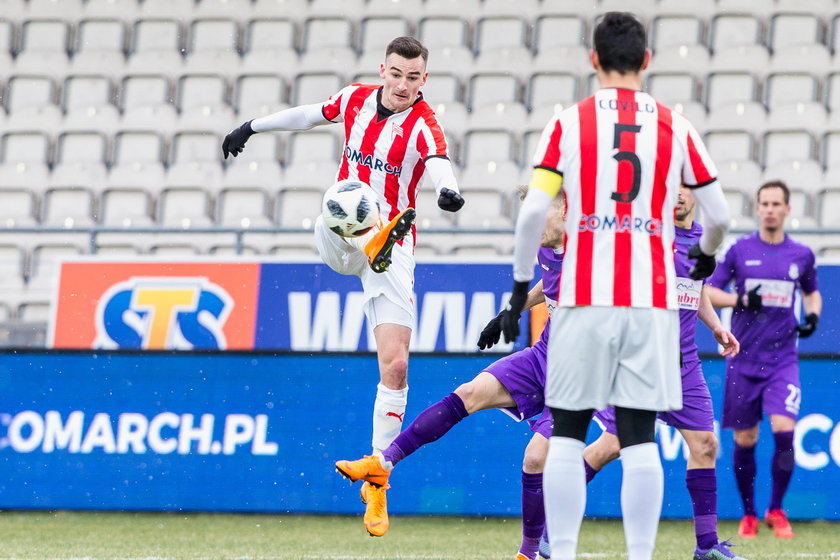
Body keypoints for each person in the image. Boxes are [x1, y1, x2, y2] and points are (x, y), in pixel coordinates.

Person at [501, 12, 730, 560]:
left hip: (582, 300)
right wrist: (701, 257)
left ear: (593, 60)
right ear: (646, 61)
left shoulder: (568, 122)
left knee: (567, 437)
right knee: (639, 439)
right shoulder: (674, 124)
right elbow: (719, 216)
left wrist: (518, 287)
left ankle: (565, 553)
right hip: (647, 305)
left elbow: (534, 210)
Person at [222, 36, 466, 537]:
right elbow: (309, 114)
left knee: (396, 365)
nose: (402, 85)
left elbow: (439, 162)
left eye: (413, 77)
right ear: (383, 70)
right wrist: (251, 126)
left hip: (393, 251)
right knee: (349, 198)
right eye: (395, 74)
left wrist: (448, 190)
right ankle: (370, 230)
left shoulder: (424, 125)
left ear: (425, 80)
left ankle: (378, 477)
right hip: (340, 233)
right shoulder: (355, 99)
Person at [335, 188, 565, 557]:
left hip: (582, 372)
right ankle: (383, 463)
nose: (530, 225)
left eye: (537, 215)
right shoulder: (545, 244)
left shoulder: (594, 251)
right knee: (469, 393)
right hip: (545, 355)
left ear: (566, 206)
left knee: (537, 458)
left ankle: (532, 552)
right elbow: (553, 280)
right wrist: (514, 309)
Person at [540, 185, 745, 560]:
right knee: (610, 447)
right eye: (674, 188)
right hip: (641, 358)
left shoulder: (702, 239)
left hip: (684, 363)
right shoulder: (645, 232)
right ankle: (552, 534)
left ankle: (707, 547)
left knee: (706, 445)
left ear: (697, 194)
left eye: (687, 188)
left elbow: (694, 287)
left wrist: (715, 326)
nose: (680, 195)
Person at [704, 180, 821, 540]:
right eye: (764, 203)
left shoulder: (801, 255)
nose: (770, 209)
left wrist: (813, 316)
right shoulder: (740, 251)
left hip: (783, 359)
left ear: (787, 209)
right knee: (746, 438)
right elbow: (708, 290)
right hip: (743, 358)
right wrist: (739, 300)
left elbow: (811, 292)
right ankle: (750, 514)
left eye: (776, 203)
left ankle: (776, 509)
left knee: (785, 429)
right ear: (757, 208)